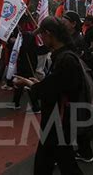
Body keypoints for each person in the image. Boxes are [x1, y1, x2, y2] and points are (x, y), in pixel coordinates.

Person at [14, 16, 83, 175]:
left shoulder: (66, 59)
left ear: (49, 34)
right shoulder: (63, 55)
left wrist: (30, 84)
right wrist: (38, 84)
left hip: (59, 121)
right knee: (53, 163)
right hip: (56, 121)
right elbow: (56, 85)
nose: (41, 39)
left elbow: (54, 90)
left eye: (42, 36)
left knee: (62, 165)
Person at [6, 16, 40, 113]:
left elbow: (24, 47)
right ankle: (15, 103)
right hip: (23, 62)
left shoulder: (28, 35)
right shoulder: (23, 34)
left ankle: (36, 106)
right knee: (20, 83)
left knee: (27, 83)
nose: (18, 26)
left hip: (28, 63)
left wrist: (14, 41)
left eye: (19, 24)